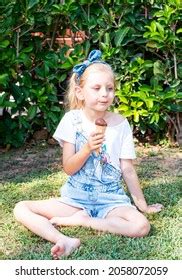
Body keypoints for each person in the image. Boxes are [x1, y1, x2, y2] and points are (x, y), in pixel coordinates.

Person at [14, 50, 164, 259]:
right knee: (21, 208)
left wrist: (143, 206)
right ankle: (63, 239)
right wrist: (86, 149)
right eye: (97, 88)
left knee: (141, 227)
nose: (105, 93)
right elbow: (69, 167)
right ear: (80, 92)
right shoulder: (71, 121)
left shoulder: (121, 124)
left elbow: (127, 169)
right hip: (75, 199)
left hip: (111, 199)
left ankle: (84, 221)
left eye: (110, 88)